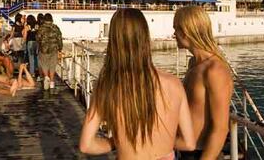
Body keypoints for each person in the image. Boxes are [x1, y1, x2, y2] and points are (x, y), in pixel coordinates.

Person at [79, 9, 195, 159]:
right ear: (145, 37)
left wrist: (115, 142)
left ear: (114, 41)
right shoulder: (174, 84)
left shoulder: (107, 85)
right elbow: (189, 143)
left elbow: (86, 145)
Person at [174, 6, 233, 159]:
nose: (174, 34)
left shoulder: (214, 70)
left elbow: (220, 128)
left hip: (202, 153)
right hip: (184, 149)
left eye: (176, 29)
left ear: (186, 31)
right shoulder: (193, 63)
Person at [36, 13, 63, 90]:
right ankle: (51, 82)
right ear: (51, 19)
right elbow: (59, 39)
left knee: (44, 64)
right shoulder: (56, 28)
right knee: (52, 65)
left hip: (43, 49)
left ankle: (46, 77)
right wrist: (60, 48)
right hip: (54, 49)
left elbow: (38, 39)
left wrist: (39, 47)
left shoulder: (41, 28)